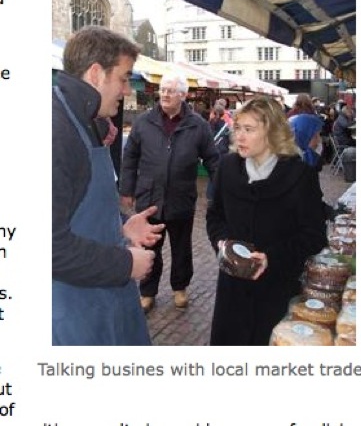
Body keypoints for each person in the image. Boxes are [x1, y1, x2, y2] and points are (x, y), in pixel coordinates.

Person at [52, 26, 166, 346]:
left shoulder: (85, 121)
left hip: (99, 301)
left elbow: (78, 205)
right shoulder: (56, 132)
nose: (127, 90)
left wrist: (121, 227)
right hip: (74, 314)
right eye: (124, 78)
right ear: (96, 74)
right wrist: (127, 263)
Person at [206, 96, 327, 345]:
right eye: (237, 128)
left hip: (276, 290)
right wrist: (223, 242)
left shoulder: (300, 175)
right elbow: (214, 215)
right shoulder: (227, 167)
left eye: (249, 130)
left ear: (272, 131)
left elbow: (314, 235)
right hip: (232, 290)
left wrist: (272, 256)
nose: (239, 136)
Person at [119, 72, 220, 312]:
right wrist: (127, 189)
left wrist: (221, 191)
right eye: (163, 89)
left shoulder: (198, 125)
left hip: (181, 198)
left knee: (182, 248)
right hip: (149, 198)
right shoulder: (144, 121)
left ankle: (179, 288)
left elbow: (213, 160)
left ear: (183, 96)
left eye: (170, 90)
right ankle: (147, 291)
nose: (164, 94)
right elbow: (130, 158)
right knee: (149, 247)